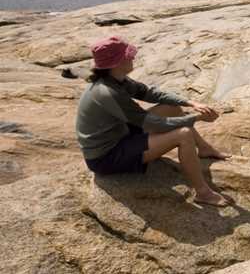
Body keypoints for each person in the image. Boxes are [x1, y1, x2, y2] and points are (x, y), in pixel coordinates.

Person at [76, 35, 231, 206]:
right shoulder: (107, 92)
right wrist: (196, 118)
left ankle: (204, 148)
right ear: (117, 63)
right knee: (183, 134)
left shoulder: (116, 79)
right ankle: (203, 193)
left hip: (121, 135)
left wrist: (191, 103)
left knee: (171, 108)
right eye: (128, 55)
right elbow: (155, 124)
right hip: (106, 156)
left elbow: (150, 93)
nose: (133, 57)